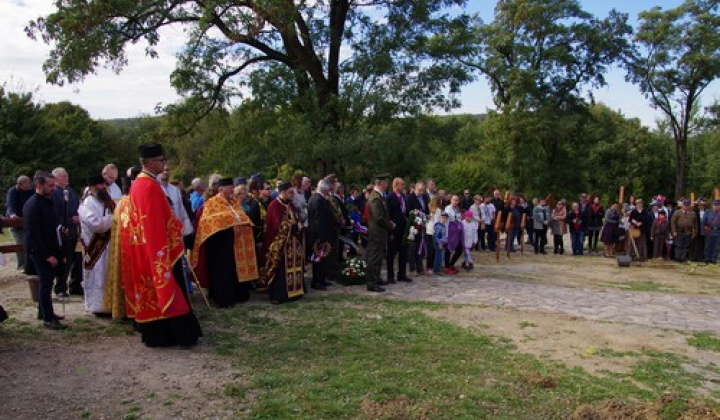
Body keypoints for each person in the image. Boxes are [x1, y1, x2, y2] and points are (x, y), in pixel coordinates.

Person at [120, 143, 202, 347]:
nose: (164, 164)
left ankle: (162, 335)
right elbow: (152, 223)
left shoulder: (141, 184)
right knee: (167, 290)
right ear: (150, 162)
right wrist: (165, 246)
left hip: (148, 248)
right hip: (158, 248)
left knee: (157, 293)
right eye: (161, 161)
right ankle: (178, 335)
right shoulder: (148, 186)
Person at [192, 177, 258, 308]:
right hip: (219, 246)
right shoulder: (212, 202)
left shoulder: (233, 202)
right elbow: (206, 223)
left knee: (234, 271)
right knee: (222, 273)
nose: (232, 190)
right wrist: (226, 223)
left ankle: (238, 295)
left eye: (232, 187)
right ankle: (223, 299)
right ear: (221, 189)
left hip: (235, 243)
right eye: (230, 188)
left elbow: (241, 217)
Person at [24, 172, 67, 330]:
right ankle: (48, 318)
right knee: (46, 282)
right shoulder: (33, 205)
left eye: (53, 185)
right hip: (39, 251)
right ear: (39, 185)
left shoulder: (47, 201)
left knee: (47, 281)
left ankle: (43, 312)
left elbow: (49, 225)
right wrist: (47, 255)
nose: (53, 189)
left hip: (49, 247)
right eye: (50, 186)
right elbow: (33, 234)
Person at [104, 166, 141, 320]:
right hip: (130, 246)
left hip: (124, 245)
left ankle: (122, 310)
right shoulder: (131, 202)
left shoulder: (123, 202)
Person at [260, 182, 305, 303]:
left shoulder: (291, 205)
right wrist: (292, 227)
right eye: (290, 192)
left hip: (293, 242)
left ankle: (294, 292)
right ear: (283, 192)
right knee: (280, 270)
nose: (292, 195)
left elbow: (297, 219)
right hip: (280, 245)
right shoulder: (274, 205)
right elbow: (277, 226)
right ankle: (279, 295)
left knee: (294, 266)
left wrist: (299, 225)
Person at [78, 175, 115, 315]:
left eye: (105, 184)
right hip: (95, 248)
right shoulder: (87, 203)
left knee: (108, 275)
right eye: (100, 185)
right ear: (93, 187)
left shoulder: (108, 202)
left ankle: (111, 304)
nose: (104, 187)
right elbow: (97, 225)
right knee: (97, 276)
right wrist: (115, 217)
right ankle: (97, 307)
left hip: (110, 246)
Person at [51, 167, 83, 297]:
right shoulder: (54, 193)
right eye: (62, 176)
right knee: (65, 261)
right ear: (55, 178)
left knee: (77, 260)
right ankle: (60, 287)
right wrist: (70, 220)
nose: (66, 178)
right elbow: (54, 215)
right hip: (63, 231)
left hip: (75, 233)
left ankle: (75, 285)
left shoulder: (71, 191)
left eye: (67, 175)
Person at [307, 179, 339, 290]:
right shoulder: (317, 200)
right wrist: (321, 237)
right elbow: (319, 220)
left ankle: (322, 279)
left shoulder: (320, 198)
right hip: (318, 235)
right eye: (329, 188)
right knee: (318, 259)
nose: (330, 190)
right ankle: (317, 281)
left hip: (322, 233)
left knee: (323, 258)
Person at [366, 174, 393, 292]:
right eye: (386, 182)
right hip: (377, 232)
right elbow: (378, 217)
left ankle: (376, 278)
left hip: (380, 232)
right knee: (374, 258)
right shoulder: (375, 197)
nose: (387, 185)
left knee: (379, 257)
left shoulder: (379, 196)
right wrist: (390, 225)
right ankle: (371, 282)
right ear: (381, 183)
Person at [159, 163, 194, 249]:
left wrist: (187, 228)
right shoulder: (157, 189)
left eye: (167, 170)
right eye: (163, 170)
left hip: (177, 230)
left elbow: (182, 210)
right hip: (165, 231)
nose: (165, 172)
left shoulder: (175, 190)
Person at [4, 175, 33, 271]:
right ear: (21, 184)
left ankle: (29, 264)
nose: (30, 185)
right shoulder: (12, 192)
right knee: (20, 242)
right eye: (28, 183)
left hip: (27, 221)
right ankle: (21, 265)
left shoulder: (30, 192)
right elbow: (10, 205)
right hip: (16, 223)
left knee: (29, 242)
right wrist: (12, 214)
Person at [386, 177, 411, 283]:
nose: (403, 186)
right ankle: (390, 276)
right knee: (391, 254)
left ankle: (402, 274)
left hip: (403, 230)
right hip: (394, 230)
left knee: (403, 253)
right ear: (396, 185)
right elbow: (388, 215)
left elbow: (406, 211)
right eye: (402, 184)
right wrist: (390, 231)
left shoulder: (404, 197)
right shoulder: (390, 197)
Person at [407, 181, 429, 276]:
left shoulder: (424, 197)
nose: (421, 192)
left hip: (422, 225)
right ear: (415, 188)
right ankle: (412, 269)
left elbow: (426, 210)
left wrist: (426, 217)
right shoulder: (410, 197)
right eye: (419, 190)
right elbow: (408, 211)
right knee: (412, 248)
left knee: (420, 247)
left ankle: (420, 268)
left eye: (423, 190)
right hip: (413, 226)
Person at [443, 195, 464, 273]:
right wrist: (446, 233)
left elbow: (459, 219)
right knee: (448, 249)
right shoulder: (447, 209)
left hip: (457, 231)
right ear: (451, 200)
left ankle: (451, 264)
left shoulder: (457, 209)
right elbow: (446, 221)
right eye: (454, 200)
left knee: (459, 249)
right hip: (450, 230)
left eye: (457, 200)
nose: (455, 202)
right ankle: (446, 266)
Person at [425, 195, 443, 275]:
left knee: (430, 250)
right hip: (434, 231)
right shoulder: (438, 210)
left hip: (428, 230)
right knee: (433, 250)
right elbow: (437, 222)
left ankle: (428, 267)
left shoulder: (429, 209)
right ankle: (432, 267)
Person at [702, 200, 720, 264]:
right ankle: (707, 258)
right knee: (708, 246)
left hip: (718, 232)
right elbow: (703, 222)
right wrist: (703, 232)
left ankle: (713, 259)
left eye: (718, 205)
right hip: (709, 231)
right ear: (712, 206)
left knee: (716, 247)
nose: (716, 207)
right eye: (715, 205)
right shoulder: (708, 212)